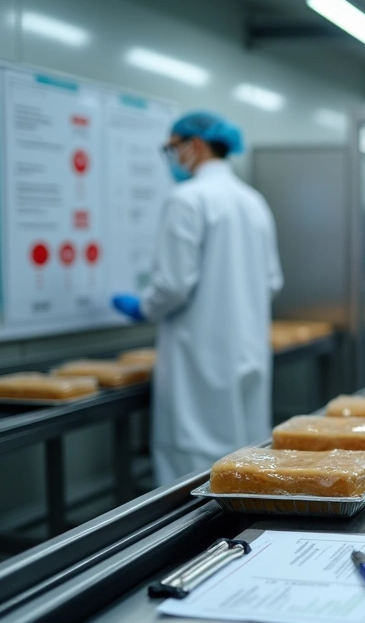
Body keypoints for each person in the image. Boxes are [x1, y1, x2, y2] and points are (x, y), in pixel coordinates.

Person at [112, 111, 283, 485]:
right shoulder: (253, 201)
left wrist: (143, 306)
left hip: (199, 357)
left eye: (173, 147)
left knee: (192, 467)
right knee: (245, 460)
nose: (172, 157)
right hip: (249, 349)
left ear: (198, 145)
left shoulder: (187, 200)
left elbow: (173, 286)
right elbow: (272, 281)